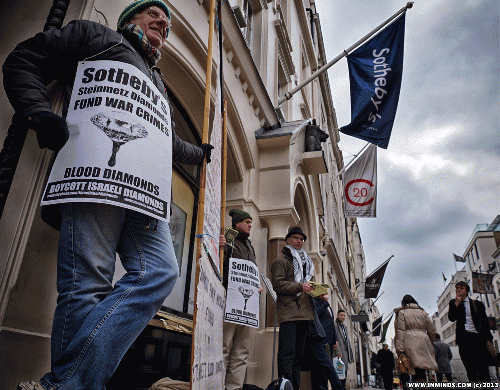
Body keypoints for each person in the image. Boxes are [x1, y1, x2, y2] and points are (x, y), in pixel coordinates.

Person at [3, 1, 213, 389]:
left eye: (166, 23)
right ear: (129, 19)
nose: (162, 22)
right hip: (95, 175)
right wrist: (37, 113)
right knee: (87, 283)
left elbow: (162, 140)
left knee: (160, 271)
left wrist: (198, 155)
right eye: (153, 13)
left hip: (143, 195)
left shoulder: (159, 82)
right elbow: (24, 60)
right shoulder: (98, 38)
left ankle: (66, 384)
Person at [221, 209, 260, 390]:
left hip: (247, 304)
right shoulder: (228, 238)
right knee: (225, 345)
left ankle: (234, 387)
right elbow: (220, 263)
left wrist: (256, 285)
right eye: (246, 222)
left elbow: (253, 270)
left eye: (251, 222)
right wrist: (220, 246)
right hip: (230, 299)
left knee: (242, 349)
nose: (250, 225)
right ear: (236, 223)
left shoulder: (250, 246)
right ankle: (217, 383)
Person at [271, 226, 314, 390]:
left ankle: (294, 387)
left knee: (298, 359)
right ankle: (284, 387)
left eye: (302, 239)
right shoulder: (281, 260)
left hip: (304, 314)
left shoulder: (306, 263)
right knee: (286, 356)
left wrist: (318, 292)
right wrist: (300, 287)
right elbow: (278, 284)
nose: (299, 241)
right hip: (289, 314)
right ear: (287, 239)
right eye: (296, 238)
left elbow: (307, 285)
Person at [448, 280, 492, 382]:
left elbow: (485, 322)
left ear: (467, 291)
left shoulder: (477, 304)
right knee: (470, 369)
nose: (458, 290)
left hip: (478, 338)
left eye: (461, 288)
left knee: (483, 369)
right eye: (457, 288)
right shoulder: (453, 303)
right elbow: (452, 318)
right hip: (464, 340)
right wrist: (457, 304)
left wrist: (488, 339)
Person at [394, 295, 438, 384]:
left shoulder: (402, 313)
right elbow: (431, 330)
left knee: (411, 368)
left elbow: (400, 331)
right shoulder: (423, 312)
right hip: (423, 340)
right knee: (421, 368)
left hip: (409, 340)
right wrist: (430, 341)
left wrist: (399, 349)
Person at [307, 296, 344, 390]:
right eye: (324, 293)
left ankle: (325, 386)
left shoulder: (328, 306)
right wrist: (324, 303)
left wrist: (334, 339)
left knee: (326, 365)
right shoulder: (317, 302)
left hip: (329, 341)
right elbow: (315, 313)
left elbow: (331, 323)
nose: (327, 295)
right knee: (324, 366)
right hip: (320, 338)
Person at [333, 309, 354, 387]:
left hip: (345, 354)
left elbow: (347, 341)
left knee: (344, 376)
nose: (343, 317)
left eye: (344, 315)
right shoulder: (335, 325)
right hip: (339, 354)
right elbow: (334, 339)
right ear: (337, 316)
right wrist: (338, 351)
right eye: (341, 315)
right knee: (338, 377)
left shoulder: (344, 327)